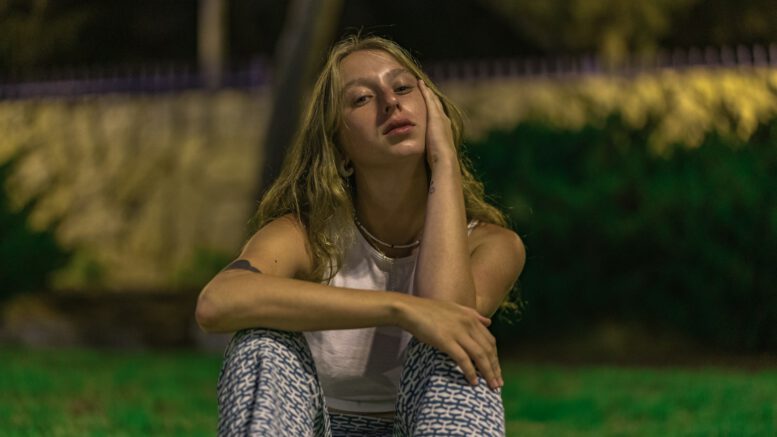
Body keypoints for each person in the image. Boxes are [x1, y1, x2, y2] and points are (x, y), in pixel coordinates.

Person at [195, 34, 525, 436]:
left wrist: (445, 163)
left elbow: (448, 314)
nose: (391, 103)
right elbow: (217, 302)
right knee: (261, 345)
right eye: (361, 99)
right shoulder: (310, 236)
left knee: (456, 345)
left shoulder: (492, 245)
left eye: (403, 88)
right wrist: (398, 308)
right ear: (339, 146)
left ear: (433, 109)